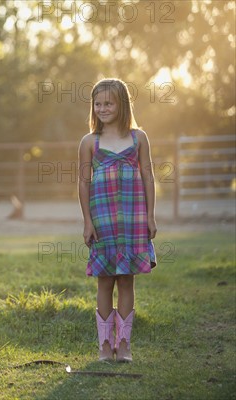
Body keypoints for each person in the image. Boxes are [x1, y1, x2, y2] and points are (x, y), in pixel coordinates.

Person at [78, 78, 157, 362]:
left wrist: (150, 216)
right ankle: (104, 346)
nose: (102, 108)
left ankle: (123, 344)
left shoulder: (139, 138)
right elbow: (84, 183)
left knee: (126, 281)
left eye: (108, 103)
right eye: (97, 104)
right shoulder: (89, 142)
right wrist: (87, 221)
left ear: (122, 104)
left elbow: (148, 176)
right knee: (104, 282)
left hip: (133, 219)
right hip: (103, 221)